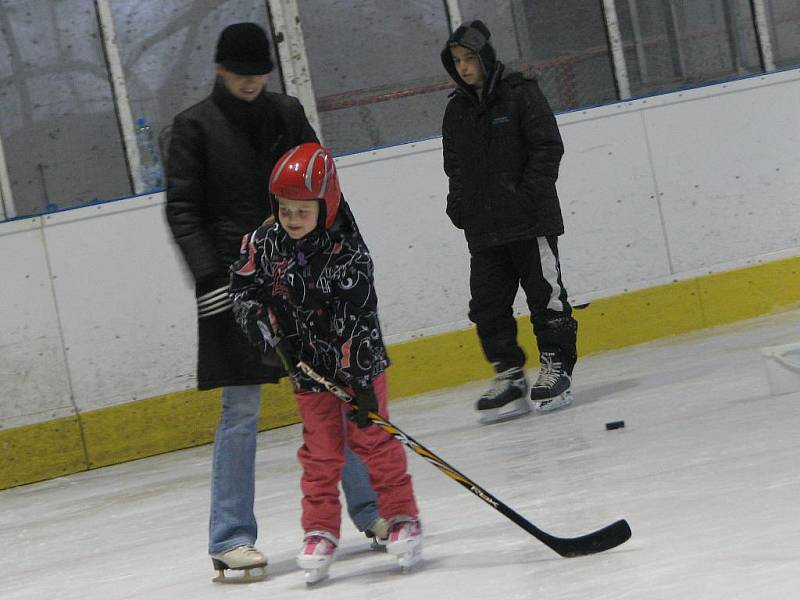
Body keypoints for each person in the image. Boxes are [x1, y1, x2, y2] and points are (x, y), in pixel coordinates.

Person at [164, 22, 382, 583]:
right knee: (241, 410)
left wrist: (343, 255)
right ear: (219, 69)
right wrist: (212, 279)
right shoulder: (193, 128)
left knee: (337, 397)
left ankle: (370, 510)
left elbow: (324, 188)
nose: (250, 83)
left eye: (258, 73)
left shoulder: (286, 114)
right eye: (240, 74)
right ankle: (231, 538)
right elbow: (183, 210)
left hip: (307, 283)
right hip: (239, 288)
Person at [230, 142, 423, 585]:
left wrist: (359, 384)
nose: (292, 219)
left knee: (374, 442)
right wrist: (258, 320)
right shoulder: (265, 243)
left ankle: (401, 516)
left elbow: (359, 320)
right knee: (319, 454)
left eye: (303, 211)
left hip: (360, 368)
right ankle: (319, 529)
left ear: (326, 205)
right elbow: (242, 287)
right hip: (308, 368)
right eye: (284, 210)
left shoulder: (348, 254)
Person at [440, 20, 578, 424]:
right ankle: (509, 374)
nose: (464, 68)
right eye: (457, 62)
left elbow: (548, 147)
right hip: (482, 228)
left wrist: (527, 195)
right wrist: (459, 206)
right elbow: (455, 167)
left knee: (545, 295)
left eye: (469, 59)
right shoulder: (456, 110)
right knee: (486, 305)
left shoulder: (521, 93)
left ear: (484, 57)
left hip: (529, 222)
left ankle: (556, 367)